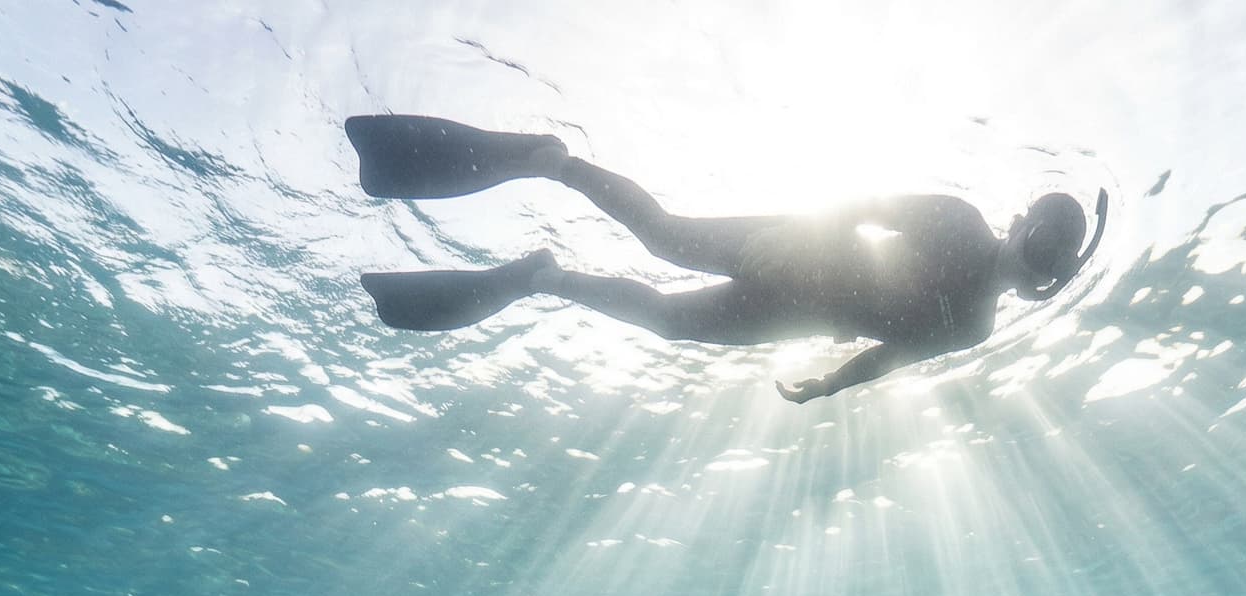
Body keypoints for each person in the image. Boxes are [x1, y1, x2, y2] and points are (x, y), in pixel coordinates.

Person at [345, 116, 1106, 402]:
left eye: (1058, 248)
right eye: (1044, 228)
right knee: (664, 237)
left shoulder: (975, 325)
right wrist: (801, 233)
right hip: (801, 246)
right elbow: (860, 203)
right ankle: (553, 162)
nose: (1043, 251)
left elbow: (892, 355)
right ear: (1018, 222)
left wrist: (829, 387)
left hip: (797, 313)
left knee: (669, 324)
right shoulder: (958, 221)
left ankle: (543, 277)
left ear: (1062, 266)